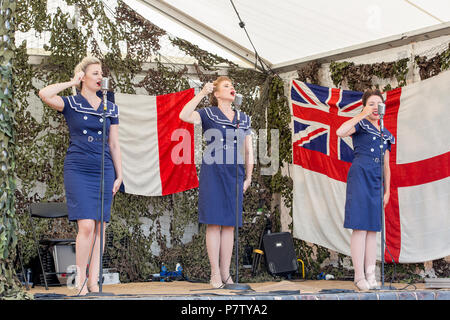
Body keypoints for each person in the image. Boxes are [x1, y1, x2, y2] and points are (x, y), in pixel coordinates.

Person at [38, 57, 122, 295]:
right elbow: (44, 93)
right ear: (83, 77)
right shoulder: (72, 103)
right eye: (94, 73)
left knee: (100, 227)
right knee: (86, 225)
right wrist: (70, 82)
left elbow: (114, 144)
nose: (99, 76)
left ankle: (94, 281)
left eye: (101, 73)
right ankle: (81, 278)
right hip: (78, 167)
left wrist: (119, 174)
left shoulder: (110, 107)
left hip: (104, 168)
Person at [179, 76, 254, 288]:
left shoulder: (243, 118)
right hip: (213, 172)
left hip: (235, 174)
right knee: (214, 223)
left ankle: (226, 274)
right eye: (226, 86)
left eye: (233, 85)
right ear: (217, 93)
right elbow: (184, 115)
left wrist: (248, 177)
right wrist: (201, 93)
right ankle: (214, 273)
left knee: (230, 226)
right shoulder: (208, 113)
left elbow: (249, 150)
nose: (232, 88)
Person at [336, 89, 395, 291]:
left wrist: (387, 191)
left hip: (376, 180)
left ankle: (371, 274)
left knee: (373, 229)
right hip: (360, 175)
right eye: (371, 103)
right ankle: (358, 275)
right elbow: (340, 132)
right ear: (364, 106)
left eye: (378, 103)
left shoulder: (385, 133)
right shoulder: (360, 124)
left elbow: (387, 165)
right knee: (360, 227)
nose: (375, 107)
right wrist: (361, 113)